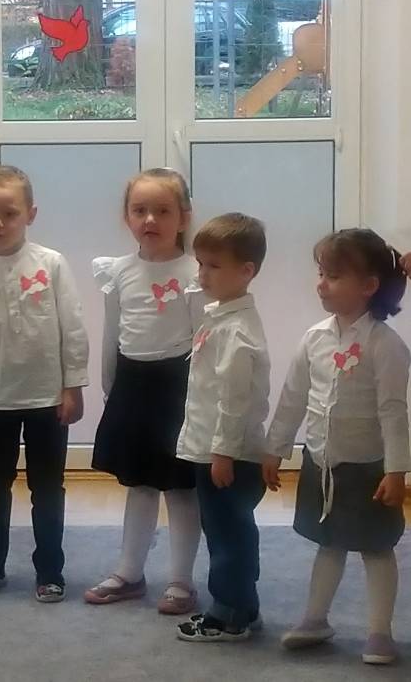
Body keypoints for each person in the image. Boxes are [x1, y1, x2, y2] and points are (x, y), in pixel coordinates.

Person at [264, 229, 409, 666]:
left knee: (376, 549)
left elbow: (393, 412)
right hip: (322, 462)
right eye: (321, 273)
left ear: (369, 286)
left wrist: (397, 470)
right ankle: (315, 619)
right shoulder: (314, 338)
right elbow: (292, 397)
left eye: (334, 275)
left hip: (367, 469)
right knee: (328, 544)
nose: (321, 284)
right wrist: (275, 449)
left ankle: (380, 632)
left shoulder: (386, 345)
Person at [0, 165, 88, 603]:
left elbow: (73, 327)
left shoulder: (51, 264)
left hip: (48, 399)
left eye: (9, 213)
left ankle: (50, 570)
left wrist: (73, 385)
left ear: (30, 214)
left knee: (47, 490)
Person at [84, 168, 204, 614]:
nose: (150, 219)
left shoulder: (195, 272)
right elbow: (112, 333)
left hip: (179, 388)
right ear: (127, 217)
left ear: (184, 217)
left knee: (180, 489)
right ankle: (129, 572)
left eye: (163, 210)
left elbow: (203, 338)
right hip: (132, 386)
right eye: (140, 210)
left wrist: (202, 399)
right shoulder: (117, 272)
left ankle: (181, 580)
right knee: (139, 485)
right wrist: (110, 388)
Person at [175, 213, 270, 643]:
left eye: (214, 265)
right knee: (224, 531)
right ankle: (242, 607)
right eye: (200, 263)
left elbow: (234, 401)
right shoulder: (218, 317)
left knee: (229, 535)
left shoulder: (237, 331)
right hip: (211, 448)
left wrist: (222, 453)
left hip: (227, 455)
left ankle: (229, 615)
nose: (202, 273)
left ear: (246, 271)